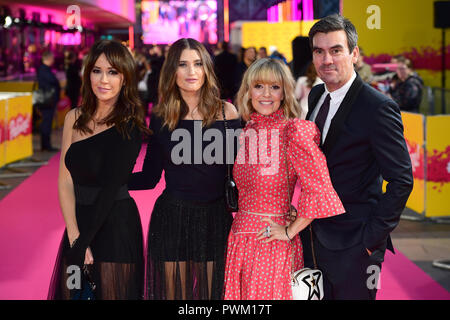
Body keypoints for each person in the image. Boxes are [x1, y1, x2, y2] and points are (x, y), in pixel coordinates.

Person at [301, 14, 413, 300]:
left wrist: (371, 239)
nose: (327, 60)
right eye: (319, 51)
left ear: (354, 54)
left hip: (355, 245)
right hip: (313, 238)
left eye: (336, 50)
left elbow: (401, 180)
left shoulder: (378, 107)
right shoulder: (316, 96)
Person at [128, 38, 241, 300]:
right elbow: (150, 176)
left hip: (215, 220)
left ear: (207, 69)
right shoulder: (162, 116)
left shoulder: (227, 112)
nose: (191, 72)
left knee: (210, 296)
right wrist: (108, 181)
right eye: (183, 64)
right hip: (171, 219)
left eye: (198, 64)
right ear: (172, 71)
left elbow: (241, 173)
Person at [223, 58, 345, 300]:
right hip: (239, 241)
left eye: (275, 87)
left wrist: (291, 230)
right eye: (258, 86)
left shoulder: (294, 131)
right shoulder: (246, 132)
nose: (266, 94)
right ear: (248, 91)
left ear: (285, 92)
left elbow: (319, 190)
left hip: (272, 245)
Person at [47, 40, 150, 300]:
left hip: (116, 229)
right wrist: (74, 236)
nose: (103, 79)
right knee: (72, 293)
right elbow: (64, 181)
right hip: (77, 227)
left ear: (125, 78)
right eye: (97, 70)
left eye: (113, 72)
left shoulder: (130, 126)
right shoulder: (73, 118)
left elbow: (110, 190)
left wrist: (82, 244)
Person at [36, 51, 61, 151]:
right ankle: (46, 145)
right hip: (47, 100)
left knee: (47, 122)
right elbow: (52, 82)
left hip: (48, 99)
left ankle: (46, 145)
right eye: (52, 58)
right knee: (47, 121)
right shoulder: (44, 70)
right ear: (48, 58)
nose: (53, 60)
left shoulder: (45, 70)